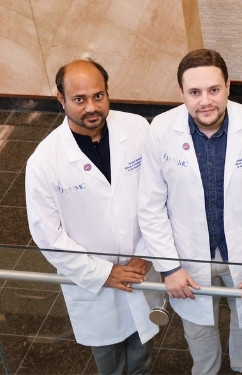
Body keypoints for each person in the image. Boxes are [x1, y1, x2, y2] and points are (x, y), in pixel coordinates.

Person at [137, 49, 242, 375]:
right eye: (195, 92)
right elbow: (150, 207)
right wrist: (170, 267)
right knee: (197, 326)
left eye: (214, 90)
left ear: (228, 86)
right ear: (181, 93)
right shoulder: (161, 130)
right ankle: (206, 370)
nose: (206, 101)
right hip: (188, 255)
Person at [25, 59, 159, 374]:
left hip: (142, 268)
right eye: (79, 99)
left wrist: (147, 254)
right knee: (109, 362)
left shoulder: (137, 128)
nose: (91, 107)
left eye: (98, 96)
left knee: (143, 354)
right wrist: (103, 273)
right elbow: (48, 236)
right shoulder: (44, 162)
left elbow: (160, 195)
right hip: (94, 284)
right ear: (61, 100)